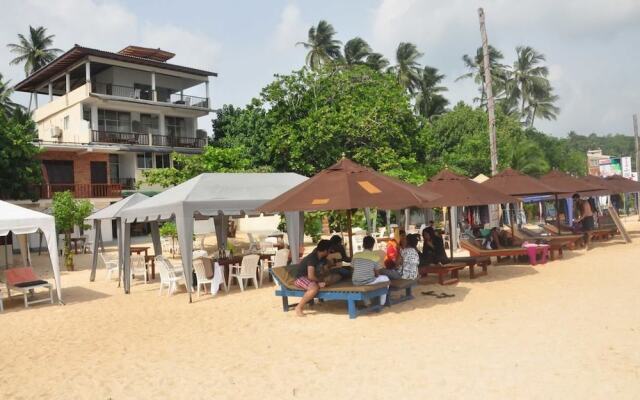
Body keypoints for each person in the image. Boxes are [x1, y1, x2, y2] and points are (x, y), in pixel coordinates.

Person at [293, 239, 331, 317]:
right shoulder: (312, 258)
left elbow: (324, 270)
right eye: (329, 250)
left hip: (311, 278)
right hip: (301, 278)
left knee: (326, 282)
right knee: (314, 288)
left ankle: (319, 298)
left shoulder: (322, 258)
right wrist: (319, 281)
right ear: (325, 250)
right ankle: (299, 307)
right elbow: (310, 276)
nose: (330, 252)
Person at [351, 236, 389, 304]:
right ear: (373, 246)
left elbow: (353, 269)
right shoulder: (375, 257)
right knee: (386, 279)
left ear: (363, 245)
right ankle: (382, 303)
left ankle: (367, 302)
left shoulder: (356, 255)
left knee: (364, 280)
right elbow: (377, 274)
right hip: (367, 281)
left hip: (355, 281)